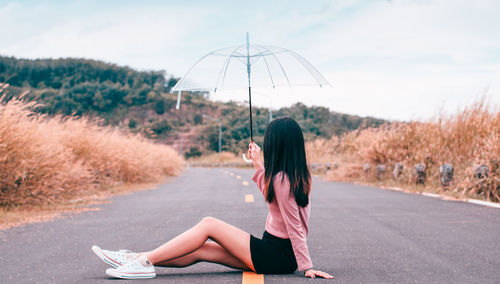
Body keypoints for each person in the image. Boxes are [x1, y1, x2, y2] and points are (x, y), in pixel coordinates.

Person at [92, 117, 334, 280]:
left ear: (277, 144)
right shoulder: (292, 176)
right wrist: (258, 163)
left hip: (277, 254)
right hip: (276, 253)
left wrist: (307, 266)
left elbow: (295, 226)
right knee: (202, 250)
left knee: (209, 224)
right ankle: (133, 258)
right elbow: (276, 201)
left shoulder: (283, 179)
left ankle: (142, 261)